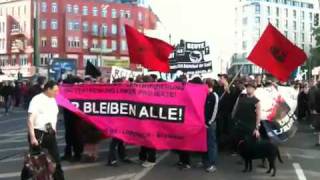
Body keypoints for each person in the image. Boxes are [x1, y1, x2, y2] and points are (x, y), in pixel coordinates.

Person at [23, 80, 65, 180]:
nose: (57, 93)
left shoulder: (53, 99)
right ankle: (25, 177)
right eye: (55, 91)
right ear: (48, 89)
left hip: (50, 134)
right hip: (38, 134)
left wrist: (54, 130)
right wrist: (33, 137)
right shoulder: (36, 100)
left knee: (56, 160)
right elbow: (30, 119)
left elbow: (54, 116)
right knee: (34, 160)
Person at [232, 81, 261, 145]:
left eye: (251, 87)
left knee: (249, 144)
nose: (249, 89)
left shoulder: (256, 101)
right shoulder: (241, 97)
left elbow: (258, 116)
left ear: (254, 89)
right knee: (239, 142)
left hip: (250, 126)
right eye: (248, 87)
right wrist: (234, 118)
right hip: (240, 124)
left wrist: (257, 129)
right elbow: (235, 108)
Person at [202, 78, 219, 173]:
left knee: (211, 143)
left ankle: (211, 163)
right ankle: (205, 161)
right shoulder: (205, 95)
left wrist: (209, 122)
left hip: (210, 124)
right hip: (203, 124)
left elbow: (214, 111)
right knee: (204, 143)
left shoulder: (214, 96)